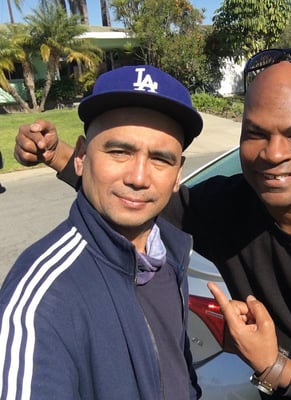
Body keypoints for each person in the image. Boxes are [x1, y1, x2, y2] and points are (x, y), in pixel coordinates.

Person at [14, 48, 291, 399]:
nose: (274, 153)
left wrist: (274, 366)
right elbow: (141, 193)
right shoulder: (230, 205)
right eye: (256, 133)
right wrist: (55, 154)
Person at [2, 65, 203, 400]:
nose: (138, 177)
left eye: (160, 159)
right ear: (81, 157)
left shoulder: (170, 255)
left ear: (178, 174)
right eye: (119, 152)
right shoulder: (43, 301)